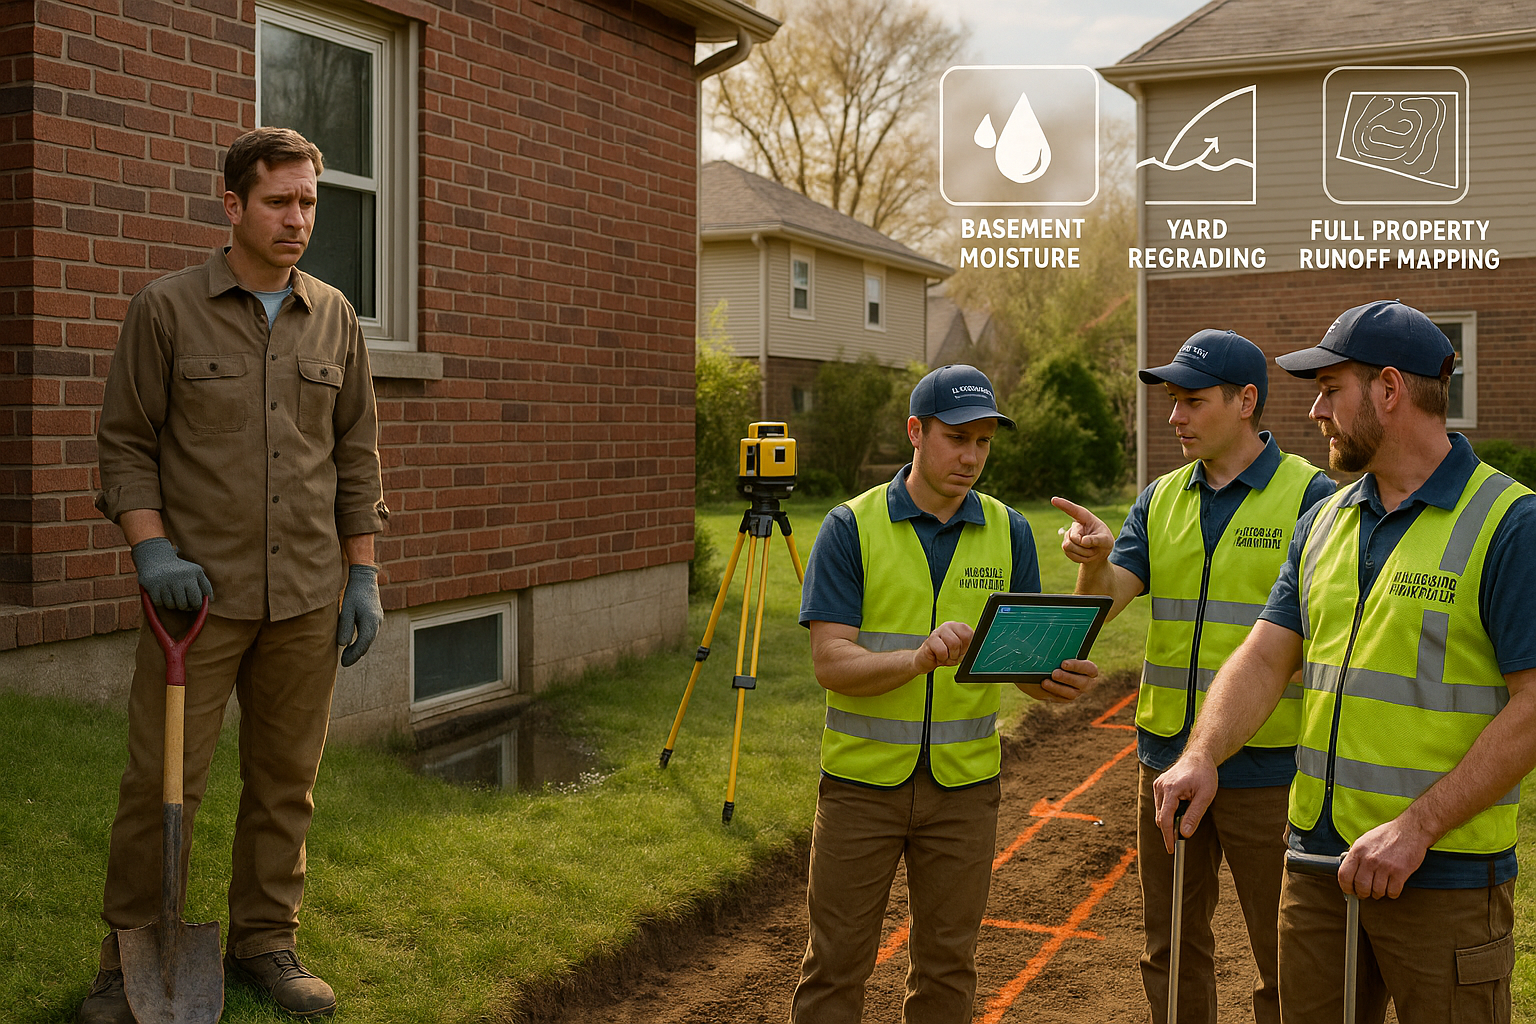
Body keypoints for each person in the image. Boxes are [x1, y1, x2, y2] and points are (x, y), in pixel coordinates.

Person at [1153, 300, 1536, 1024]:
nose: (1316, 413)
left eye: (1330, 390)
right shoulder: (1324, 521)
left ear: (1389, 390)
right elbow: (1267, 656)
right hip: (1318, 869)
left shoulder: (1509, 525)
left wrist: (1418, 828)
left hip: (1444, 881)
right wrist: (1203, 752)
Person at [80, 126, 389, 1023]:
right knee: (161, 782)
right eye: (279, 202)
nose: (298, 220)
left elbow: (358, 457)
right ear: (232, 204)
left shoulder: (334, 315)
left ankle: (265, 941)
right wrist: (150, 548)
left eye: (308, 204)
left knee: (286, 781)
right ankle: (130, 952)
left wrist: (361, 576)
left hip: (305, 600)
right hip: (197, 602)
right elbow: (126, 445)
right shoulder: (167, 309)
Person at [790, 364, 1100, 1024]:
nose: (972, 456)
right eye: (958, 438)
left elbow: (1021, 662)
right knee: (836, 964)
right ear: (915, 432)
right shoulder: (851, 527)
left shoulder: (1009, 530)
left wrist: (1054, 681)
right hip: (860, 789)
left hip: (965, 792)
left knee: (948, 967)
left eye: (984, 441)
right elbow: (829, 660)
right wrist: (915, 658)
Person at [1055, 330, 1334, 1024]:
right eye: (1172, 402)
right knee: (1171, 947)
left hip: (1268, 766)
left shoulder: (1313, 498)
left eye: (1191, 402)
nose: (1175, 417)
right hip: (1166, 762)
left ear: (1246, 402)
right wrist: (1093, 558)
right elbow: (1102, 604)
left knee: (1286, 951)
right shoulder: (1159, 499)